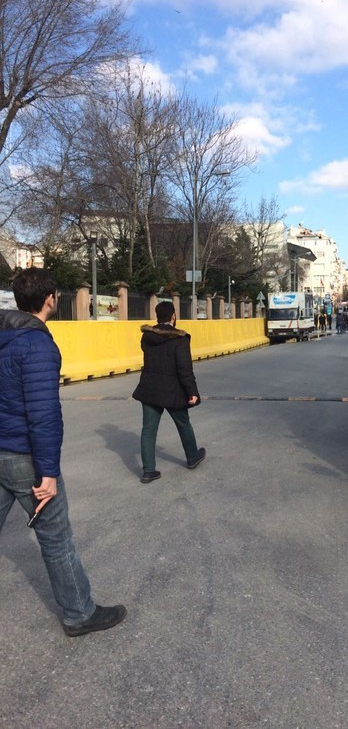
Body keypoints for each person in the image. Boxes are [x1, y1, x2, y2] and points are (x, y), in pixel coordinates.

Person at [0, 268, 126, 637]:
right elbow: (43, 416)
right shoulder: (37, 345)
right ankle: (79, 613)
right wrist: (49, 473)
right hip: (25, 459)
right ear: (51, 298)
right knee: (56, 539)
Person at [132, 301, 205, 484]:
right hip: (173, 391)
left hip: (149, 389)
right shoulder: (179, 338)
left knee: (148, 430)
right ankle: (192, 457)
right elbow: (184, 368)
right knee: (183, 424)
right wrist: (192, 392)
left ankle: (148, 471)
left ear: (157, 317)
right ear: (173, 316)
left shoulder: (147, 337)